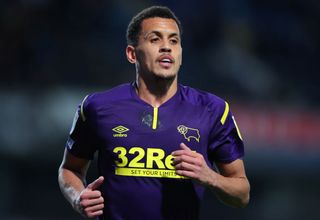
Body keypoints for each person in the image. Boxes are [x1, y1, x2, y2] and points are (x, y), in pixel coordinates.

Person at [58, 5, 250, 220]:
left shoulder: (213, 110)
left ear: (181, 54)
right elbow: (70, 169)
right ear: (132, 53)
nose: (166, 47)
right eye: (155, 39)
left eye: (174, 41)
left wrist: (210, 176)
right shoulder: (97, 106)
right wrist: (78, 197)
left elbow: (242, 194)